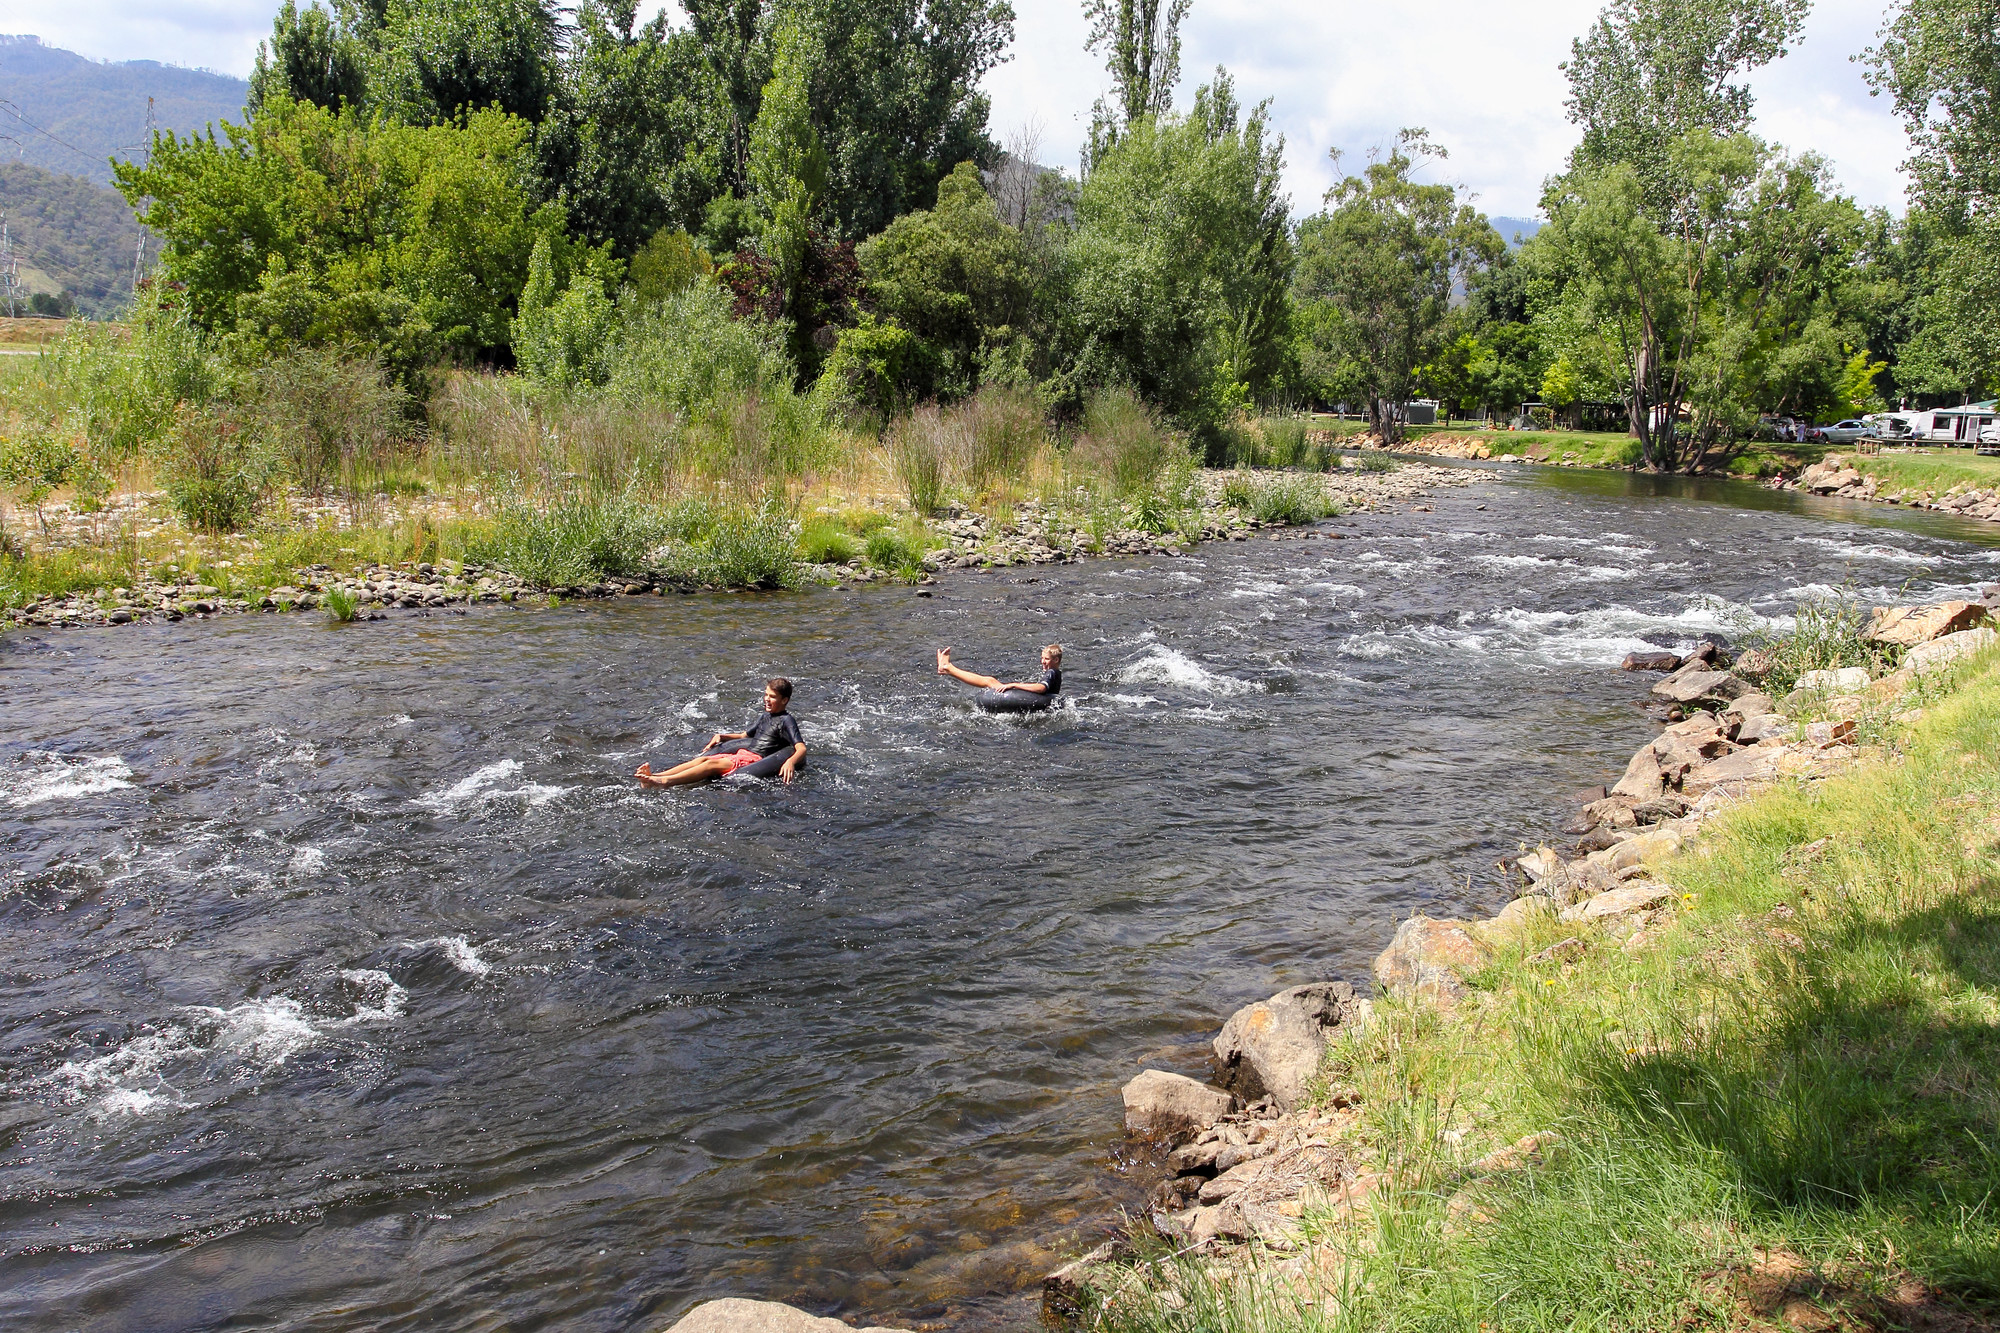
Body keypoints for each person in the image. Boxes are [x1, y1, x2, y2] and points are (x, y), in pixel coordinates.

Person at [636, 678, 807, 788]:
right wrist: (722, 736)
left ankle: (665, 782)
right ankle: (657, 775)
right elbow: (745, 736)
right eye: (766, 695)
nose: (766, 699)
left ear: (784, 700)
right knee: (703, 759)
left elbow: (801, 748)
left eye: (772, 697)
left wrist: (790, 762)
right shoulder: (765, 716)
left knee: (710, 766)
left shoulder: (786, 720)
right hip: (744, 753)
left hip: (753, 759)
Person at [936, 643, 1062, 697]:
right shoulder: (1056, 673)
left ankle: (948, 668)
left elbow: (1041, 688)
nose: (1042, 661)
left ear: (1056, 660)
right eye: (1042, 658)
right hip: (1041, 701)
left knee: (989, 681)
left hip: (1039, 701)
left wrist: (1014, 684)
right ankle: (947, 668)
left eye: (1046, 659)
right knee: (990, 681)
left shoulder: (1051, 672)